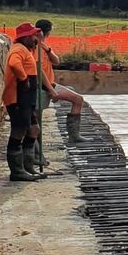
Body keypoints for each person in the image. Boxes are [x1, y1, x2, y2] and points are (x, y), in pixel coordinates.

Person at [31, 20, 85, 161]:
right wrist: (50, 89)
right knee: (36, 121)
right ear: (45, 31)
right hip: (41, 87)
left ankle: (74, 135)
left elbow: (56, 61)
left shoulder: (44, 46)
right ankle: (35, 153)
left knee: (78, 99)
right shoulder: (34, 46)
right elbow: (38, 69)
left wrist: (47, 49)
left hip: (51, 84)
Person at [2, 24, 44, 183]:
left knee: (33, 129)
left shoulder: (27, 50)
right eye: (33, 36)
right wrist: (24, 78)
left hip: (27, 99)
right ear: (26, 37)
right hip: (18, 98)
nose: (36, 40)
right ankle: (17, 172)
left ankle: (28, 166)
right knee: (18, 131)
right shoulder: (18, 49)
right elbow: (14, 63)